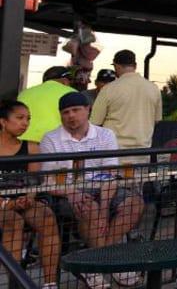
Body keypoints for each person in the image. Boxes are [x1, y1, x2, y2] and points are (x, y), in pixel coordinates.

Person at [39, 92, 144, 288]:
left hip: (104, 188)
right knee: (89, 208)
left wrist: (104, 207)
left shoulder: (105, 134)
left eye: (76, 110)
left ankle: (94, 262)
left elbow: (111, 175)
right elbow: (48, 181)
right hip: (66, 192)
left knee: (134, 204)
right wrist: (71, 192)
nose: (71, 116)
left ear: (88, 110)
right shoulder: (51, 139)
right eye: (65, 112)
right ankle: (111, 264)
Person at [0, 101, 60, 288]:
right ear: (3, 121)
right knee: (13, 220)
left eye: (28, 119)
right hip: (2, 203)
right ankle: (15, 284)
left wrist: (29, 198)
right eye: (19, 118)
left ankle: (51, 283)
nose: (25, 123)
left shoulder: (32, 147)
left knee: (47, 216)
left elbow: (34, 181)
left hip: (22, 199)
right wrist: (4, 204)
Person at [90, 49, 162, 153]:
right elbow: (157, 120)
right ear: (135, 65)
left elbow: (95, 123)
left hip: (113, 151)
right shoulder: (154, 88)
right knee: (140, 170)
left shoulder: (109, 89)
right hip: (143, 150)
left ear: (116, 66)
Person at [17, 65, 74, 143]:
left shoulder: (24, 93)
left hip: (22, 140)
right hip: (54, 142)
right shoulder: (72, 93)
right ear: (65, 81)